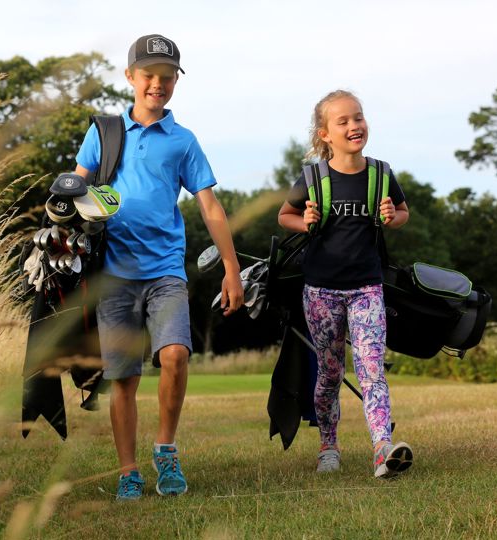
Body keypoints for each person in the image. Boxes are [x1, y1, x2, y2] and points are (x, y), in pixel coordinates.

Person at [74, 34, 244, 499]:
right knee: (123, 377)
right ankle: (128, 469)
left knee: (175, 354)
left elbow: (210, 206)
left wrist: (231, 267)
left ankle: (165, 450)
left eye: (166, 77)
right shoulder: (103, 133)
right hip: (113, 273)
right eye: (148, 75)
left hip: (166, 270)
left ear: (175, 83)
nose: (157, 84)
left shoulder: (183, 141)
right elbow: (74, 191)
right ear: (130, 77)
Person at [277, 90, 414, 479]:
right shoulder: (312, 177)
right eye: (343, 121)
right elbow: (285, 215)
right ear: (325, 134)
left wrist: (392, 215)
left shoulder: (381, 174)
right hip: (320, 290)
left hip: (367, 287)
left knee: (372, 368)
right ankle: (328, 446)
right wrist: (304, 221)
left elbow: (402, 212)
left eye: (358, 117)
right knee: (330, 373)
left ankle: (382, 449)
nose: (354, 126)